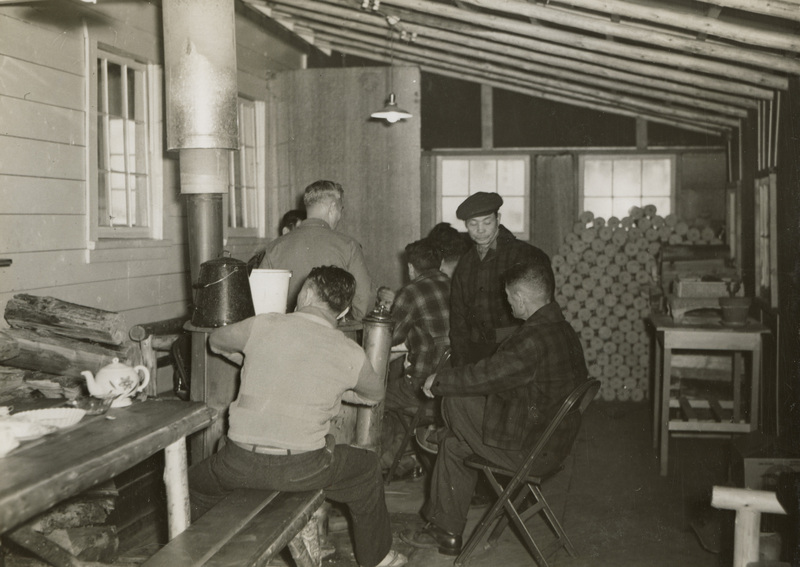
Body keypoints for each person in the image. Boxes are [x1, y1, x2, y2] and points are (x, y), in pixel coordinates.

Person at [189, 266, 407, 567]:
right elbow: (374, 396)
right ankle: (378, 558)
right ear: (343, 311)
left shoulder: (263, 325)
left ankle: (203, 555)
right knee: (367, 468)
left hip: (237, 462)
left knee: (194, 485)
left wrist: (250, 358)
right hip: (305, 468)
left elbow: (216, 341)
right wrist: (334, 389)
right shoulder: (349, 351)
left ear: (305, 293)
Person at [400, 260, 588, 556]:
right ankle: (446, 533)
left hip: (530, 451)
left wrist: (440, 381)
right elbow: (511, 377)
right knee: (453, 445)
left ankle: (441, 430)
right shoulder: (562, 329)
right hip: (552, 442)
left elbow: (488, 375)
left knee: (455, 399)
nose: (507, 302)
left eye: (509, 296)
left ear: (523, 299)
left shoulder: (533, 340)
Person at [449, 191, 551, 367]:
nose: (480, 230)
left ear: (499, 219)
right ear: (466, 225)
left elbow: (543, 314)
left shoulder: (525, 255)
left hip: (516, 351)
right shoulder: (465, 264)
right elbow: (458, 320)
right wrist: (460, 365)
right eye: (473, 224)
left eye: (487, 222)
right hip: (476, 353)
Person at [377, 239, 451, 469]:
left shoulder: (411, 292)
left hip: (422, 388)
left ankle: (381, 464)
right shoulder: (455, 285)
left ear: (410, 268)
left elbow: (391, 337)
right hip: (453, 387)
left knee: (373, 398)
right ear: (440, 264)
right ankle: (402, 460)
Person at [261, 180, 374, 319]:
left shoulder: (275, 247)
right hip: (333, 336)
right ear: (332, 208)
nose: (340, 216)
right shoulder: (349, 246)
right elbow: (364, 300)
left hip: (286, 335)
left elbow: (260, 305)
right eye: (341, 209)